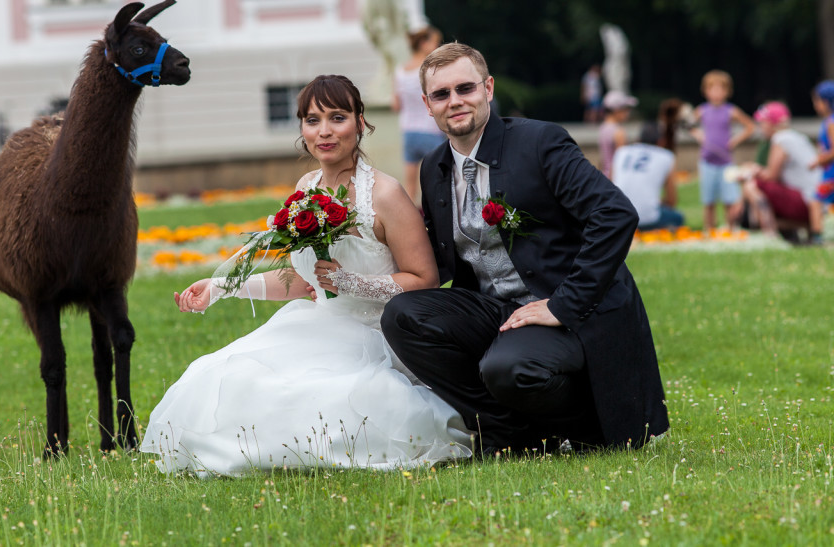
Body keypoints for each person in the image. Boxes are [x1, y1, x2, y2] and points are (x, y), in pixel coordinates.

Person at [141, 75, 473, 476]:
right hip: (317, 324)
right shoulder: (305, 188)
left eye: (337, 117)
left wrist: (354, 283)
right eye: (313, 120)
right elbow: (303, 280)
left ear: (360, 121)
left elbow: (425, 280)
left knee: (321, 398)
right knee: (225, 375)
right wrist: (221, 287)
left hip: (377, 334)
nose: (325, 131)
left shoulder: (384, 195)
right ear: (302, 128)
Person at [380, 42, 669, 456]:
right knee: (404, 316)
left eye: (466, 88)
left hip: (568, 308)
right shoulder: (433, 166)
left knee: (508, 369)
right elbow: (438, 258)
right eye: (441, 95)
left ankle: (587, 428)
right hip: (495, 309)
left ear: (489, 88)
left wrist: (563, 304)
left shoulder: (539, 142)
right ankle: (508, 432)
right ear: (426, 105)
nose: (455, 102)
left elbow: (615, 213)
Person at [741, 101, 824, 245]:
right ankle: (789, 233)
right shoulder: (797, 136)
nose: (760, 127)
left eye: (763, 122)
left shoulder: (781, 138)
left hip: (805, 203)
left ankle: (769, 232)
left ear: (773, 123)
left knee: (751, 185)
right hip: (815, 204)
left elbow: (772, 176)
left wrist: (753, 171)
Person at [690, 70, 756, 232]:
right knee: (709, 200)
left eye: (721, 89)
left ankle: (730, 228)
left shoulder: (730, 110)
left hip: (726, 162)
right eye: (713, 89)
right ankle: (709, 229)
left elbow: (750, 126)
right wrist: (699, 135)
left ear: (727, 91)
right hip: (707, 161)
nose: (717, 93)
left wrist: (734, 140)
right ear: (706, 91)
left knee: (729, 199)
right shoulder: (702, 110)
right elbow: (687, 124)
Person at [393, 26, 445, 203]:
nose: (438, 46)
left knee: (410, 186)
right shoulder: (430, 69)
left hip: (408, 131)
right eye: (435, 42)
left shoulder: (400, 70)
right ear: (423, 44)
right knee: (440, 182)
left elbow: (396, 105)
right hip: (430, 130)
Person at [611, 123, 685, 231]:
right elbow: (672, 200)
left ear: (638, 139)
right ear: (661, 141)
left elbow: (611, 186)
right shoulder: (666, 156)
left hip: (617, 217)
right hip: (647, 218)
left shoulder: (621, 152)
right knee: (677, 217)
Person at [598, 89, 638, 178]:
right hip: (616, 179)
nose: (628, 113)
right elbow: (622, 162)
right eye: (626, 109)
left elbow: (602, 160)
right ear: (617, 110)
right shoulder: (619, 132)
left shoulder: (603, 128)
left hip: (605, 178)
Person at [809, 80, 834, 205]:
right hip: (828, 172)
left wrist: (818, 161)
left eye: (817, 101)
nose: (815, 105)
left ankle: (816, 226)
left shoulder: (831, 123)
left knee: (815, 203)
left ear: (827, 101)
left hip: (831, 174)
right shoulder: (828, 121)